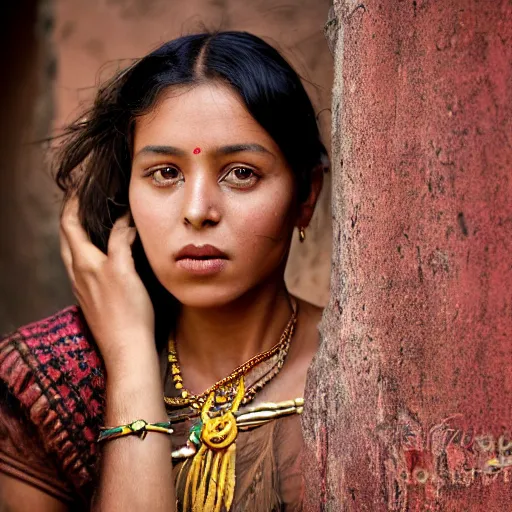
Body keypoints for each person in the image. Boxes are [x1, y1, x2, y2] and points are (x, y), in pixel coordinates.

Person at [0, 31, 328, 511]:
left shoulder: (369, 375)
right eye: (165, 173)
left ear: (306, 196)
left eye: (241, 172)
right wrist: (129, 355)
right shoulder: (53, 386)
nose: (198, 211)